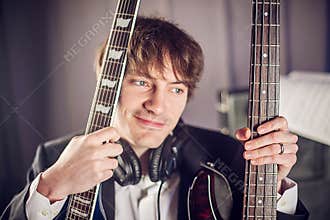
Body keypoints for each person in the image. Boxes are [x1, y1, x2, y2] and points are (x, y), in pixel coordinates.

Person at [1, 17, 308, 220]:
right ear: (107, 83)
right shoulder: (56, 157)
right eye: (142, 82)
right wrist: (51, 186)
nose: (158, 105)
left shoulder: (227, 154)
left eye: (176, 88)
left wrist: (274, 186)